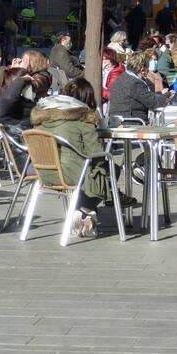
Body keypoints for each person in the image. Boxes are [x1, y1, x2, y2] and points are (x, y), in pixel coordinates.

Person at [31, 78, 135, 237]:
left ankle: (92, 208)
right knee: (110, 168)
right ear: (87, 98)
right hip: (71, 173)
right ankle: (85, 208)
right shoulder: (82, 118)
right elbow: (95, 153)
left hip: (43, 172)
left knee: (97, 173)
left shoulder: (42, 116)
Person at [108, 51, 168, 122]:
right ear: (142, 69)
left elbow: (145, 96)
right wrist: (168, 95)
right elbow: (154, 103)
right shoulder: (135, 82)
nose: (148, 70)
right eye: (147, 67)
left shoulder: (124, 77)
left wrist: (160, 93)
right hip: (131, 122)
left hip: (120, 121)